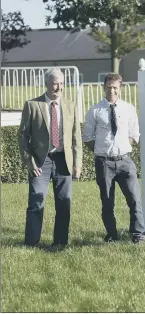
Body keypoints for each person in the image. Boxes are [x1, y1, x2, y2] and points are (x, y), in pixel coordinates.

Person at [18, 68, 83, 248]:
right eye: (55, 83)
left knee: (64, 204)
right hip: (41, 161)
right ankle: (32, 243)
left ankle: (60, 242)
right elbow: (23, 135)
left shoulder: (70, 105)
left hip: (64, 161)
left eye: (61, 83)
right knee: (36, 202)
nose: (58, 87)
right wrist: (29, 162)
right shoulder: (32, 105)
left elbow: (76, 137)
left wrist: (77, 164)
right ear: (46, 83)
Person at [82, 73, 145, 243]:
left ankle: (138, 235)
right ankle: (111, 235)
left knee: (134, 200)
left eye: (115, 87)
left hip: (125, 161)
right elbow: (87, 137)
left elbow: (134, 134)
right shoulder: (95, 111)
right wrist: (102, 150)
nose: (112, 91)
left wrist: (123, 145)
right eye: (109, 87)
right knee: (108, 202)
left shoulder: (129, 109)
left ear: (120, 88)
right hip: (104, 163)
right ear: (104, 87)